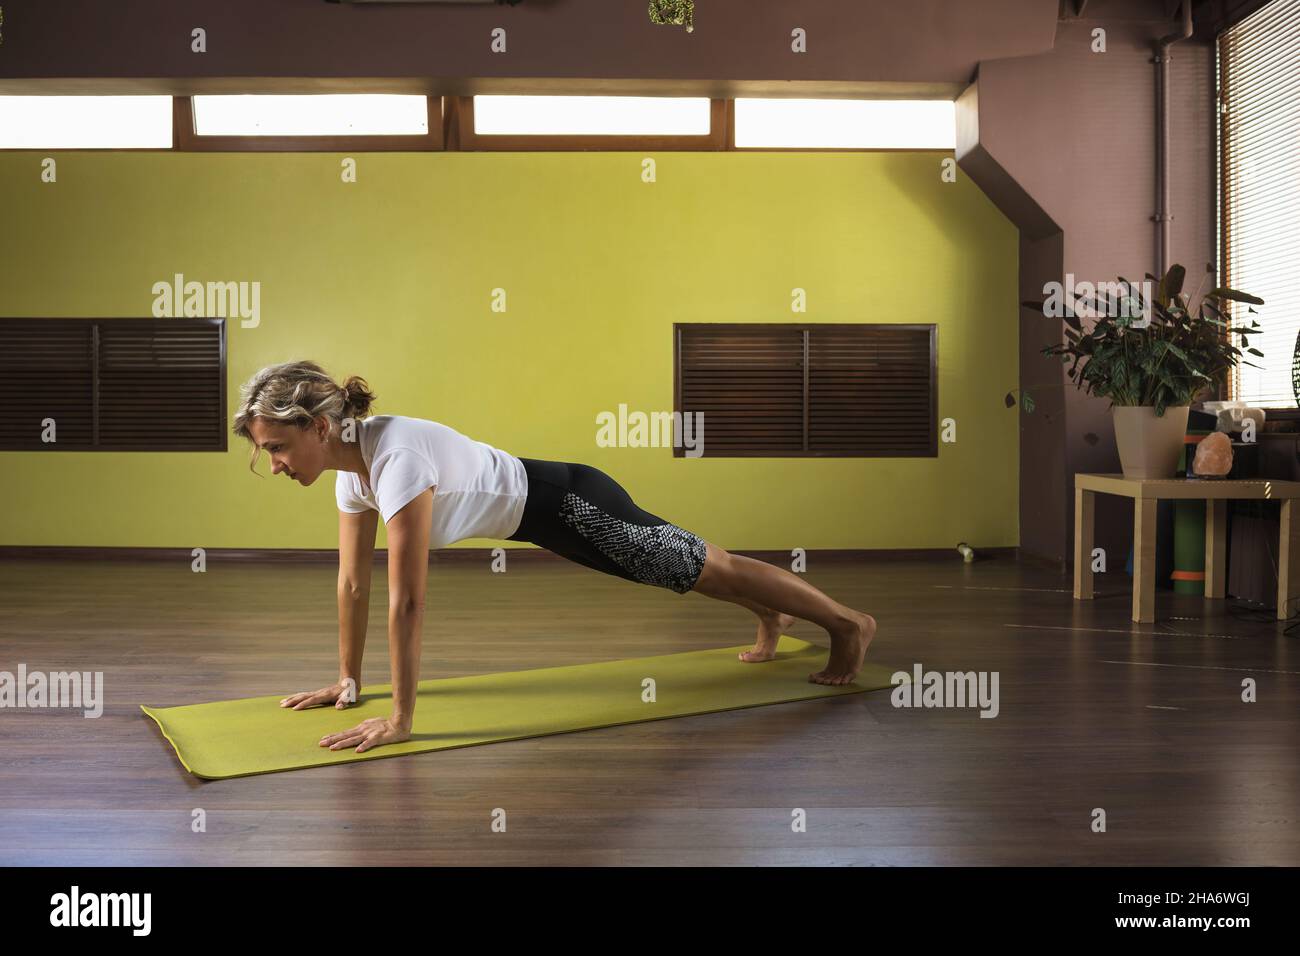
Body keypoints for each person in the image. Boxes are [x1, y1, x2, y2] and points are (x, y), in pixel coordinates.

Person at [232, 361, 876, 754]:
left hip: (566, 503)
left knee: (703, 567)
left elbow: (407, 599)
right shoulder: (354, 471)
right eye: (264, 452)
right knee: (688, 570)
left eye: (277, 446)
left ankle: (848, 626)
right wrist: (347, 680)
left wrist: (400, 718)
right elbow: (353, 584)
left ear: (320, 428)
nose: (275, 464)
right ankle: (772, 617)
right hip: (540, 514)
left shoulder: (396, 459)